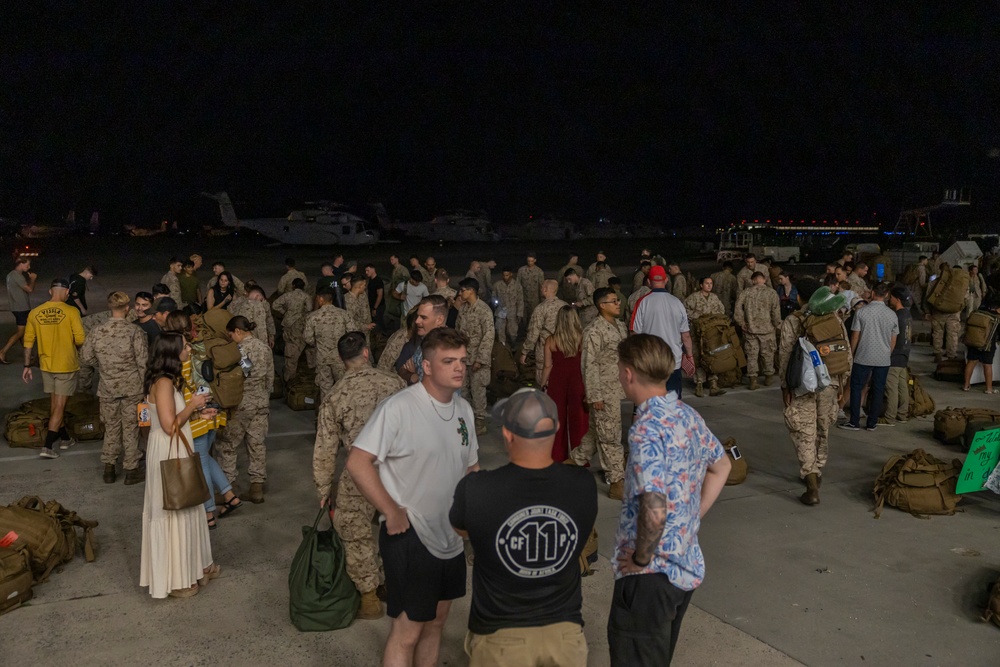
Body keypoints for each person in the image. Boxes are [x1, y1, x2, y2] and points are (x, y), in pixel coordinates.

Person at [347, 328, 480, 667]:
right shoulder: (399, 408)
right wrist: (390, 511)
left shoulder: (464, 409)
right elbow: (358, 461)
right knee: (407, 632)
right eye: (448, 361)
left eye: (462, 360)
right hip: (411, 536)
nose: (459, 368)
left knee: (435, 623)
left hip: (450, 537)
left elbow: (471, 469)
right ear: (427, 366)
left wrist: (472, 517)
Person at [451, 389, 597, 666]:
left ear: (507, 434)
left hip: (501, 637)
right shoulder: (583, 485)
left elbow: (462, 530)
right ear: (554, 429)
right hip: (566, 636)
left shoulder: (477, 489)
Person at [608, 334, 730, 666]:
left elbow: (655, 507)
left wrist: (642, 559)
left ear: (629, 373)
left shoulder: (646, 428)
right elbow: (722, 466)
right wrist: (691, 519)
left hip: (651, 578)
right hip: (685, 566)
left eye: (620, 369)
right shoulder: (688, 416)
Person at [314, 331, 406, 620]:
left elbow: (325, 448)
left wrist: (323, 489)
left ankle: (369, 595)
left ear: (342, 360)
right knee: (401, 527)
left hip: (359, 473)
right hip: (398, 469)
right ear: (366, 353)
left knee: (353, 530)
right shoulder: (395, 383)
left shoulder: (334, 395)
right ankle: (397, 586)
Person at [139, 332, 219, 598]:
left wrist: (197, 411)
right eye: (185, 346)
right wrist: (193, 404)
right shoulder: (162, 383)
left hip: (175, 446)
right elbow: (168, 425)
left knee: (189, 505)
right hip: (167, 449)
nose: (189, 349)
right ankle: (177, 580)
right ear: (173, 353)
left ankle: (199, 567)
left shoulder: (170, 380)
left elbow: (174, 417)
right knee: (175, 508)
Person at [162, 311, 241, 528]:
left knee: (199, 463)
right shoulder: (201, 346)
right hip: (212, 411)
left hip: (194, 415)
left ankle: (208, 512)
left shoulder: (180, 354)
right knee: (205, 458)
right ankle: (229, 495)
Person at [777, 281, 849, 505]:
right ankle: (817, 470)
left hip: (802, 385)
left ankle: (811, 484)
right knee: (822, 427)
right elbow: (845, 353)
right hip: (831, 383)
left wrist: (784, 386)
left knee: (804, 430)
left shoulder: (792, 321)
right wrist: (842, 384)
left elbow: (785, 356)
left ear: (799, 297)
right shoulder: (834, 318)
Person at [79, 291, 148, 485]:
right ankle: (131, 469)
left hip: (108, 387)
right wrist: (146, 387)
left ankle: (109, 468)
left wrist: (103, 366)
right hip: (132, 387)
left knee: (111, 427)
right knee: (130, 427)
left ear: (110, 307)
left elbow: (85, 357)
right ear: (127, 308)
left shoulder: (97, 331)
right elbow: (143, 362)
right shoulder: (134, 331)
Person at [569, 288, 629, 499]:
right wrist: (594, 396)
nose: (618, 303)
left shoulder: (619, 326)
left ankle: (573, 462)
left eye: (617, 300)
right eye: (613, 301)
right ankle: (616, 482)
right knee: (611, 438)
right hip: (603, 391)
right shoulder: (594, 330)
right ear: (601, 305)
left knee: (598, 432)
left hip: (616, 388)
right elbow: (589, 365)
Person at [22, 278, 86, 459]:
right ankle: (48, 445)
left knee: (54, 403)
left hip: (46, 365)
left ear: (50, 292)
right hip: (66, 365)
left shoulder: (35, 313)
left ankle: (65, 438)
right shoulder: (72, 311)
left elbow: (28, 342)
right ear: (66, 292)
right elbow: (80, 339)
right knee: (60, 404)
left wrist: (27, 365)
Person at [216, 316, 274, 504]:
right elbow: (270, 379)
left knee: (228, 445)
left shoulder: (238, 350)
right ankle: (256, 487)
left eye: (231, 334)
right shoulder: (265, 348)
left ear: (238, 331)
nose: (231, 338)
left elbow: (235, 378)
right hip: (261, 403)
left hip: (241, 404)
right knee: (257, 445)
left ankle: (228, 488)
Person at [840, 282, 898, 432]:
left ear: (872, 293)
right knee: (878, 389)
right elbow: (894, 339)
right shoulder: (892, 315)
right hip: (883, 359)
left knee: (856, 387)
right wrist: (887, 353)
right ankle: (872, 423)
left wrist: (851, 353)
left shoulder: (861, 313)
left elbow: (855, 336)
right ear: (886, 296)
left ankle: (854, 422)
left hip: (863, 356)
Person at [630, 266, 694, 398]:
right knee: (673, 404)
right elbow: (686, 336)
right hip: (673, 361)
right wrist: (690, 356)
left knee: (649, 403)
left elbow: (634, 334)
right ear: (666, 280)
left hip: (650, 362)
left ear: (648, 282)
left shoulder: (642, 302)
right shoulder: (677, 303)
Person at [540, 306, 588, 462]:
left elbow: (547, 365)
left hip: (557, 380)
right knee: (579, 419)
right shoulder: (583, 338)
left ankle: (557, 456)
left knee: (557, 419)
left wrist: (542, 384)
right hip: (578, 380)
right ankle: (580, 458)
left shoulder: (551, 340)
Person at [456, 277, 495, 436]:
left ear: (471, 291)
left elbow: (489, 335)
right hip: (464, 358)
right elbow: (458, 331)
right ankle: (467, 421)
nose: (460, 293)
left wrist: (480, 359)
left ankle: (480, 422)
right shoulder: (463, 309)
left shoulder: (484, 310)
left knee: (478, 392)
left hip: (478, 359)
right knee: (463, 391)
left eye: (462, 290)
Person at [733, 271, 781, 390]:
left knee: (751, 355)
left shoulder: (746, 292)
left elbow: (738, 308)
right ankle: (768, 376)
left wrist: (741, 323)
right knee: (768, 354)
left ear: (753, 281)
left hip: (750, 330)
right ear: (764, 280)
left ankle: (753, 379)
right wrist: (776, 324)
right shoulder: (772, 293)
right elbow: (775, 312)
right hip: (767, 330)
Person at [304, 288, 353, 400]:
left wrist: (318, 344)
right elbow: (352, 334)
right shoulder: (343, 314)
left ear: (321, 299)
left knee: (325, 387)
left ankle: (327, 415)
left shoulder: (313, 317)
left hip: (322, 357)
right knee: (342, 386)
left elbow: (308, 338)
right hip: (340, 357)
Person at [684, 276, 727, 397]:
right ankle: (699, 384)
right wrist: (698, 317)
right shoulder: (693, 298)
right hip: (697, 333)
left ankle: (713, 384)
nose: (709, 285)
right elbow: (685, 310)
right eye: (707, 283)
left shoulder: (714, 298)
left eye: (711, 283)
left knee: (713, 356)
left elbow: (721, 310)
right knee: (699, 357)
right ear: (701, 285)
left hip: (712, 334)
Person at [522, 280, 569, 384]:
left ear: (545, 290)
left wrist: (525, 351)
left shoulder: (540, 309)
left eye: (542, 287)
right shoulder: (566, 306)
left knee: (544, 379)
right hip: (565, 349)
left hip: (544, 351)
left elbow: (533, 333)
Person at [272, 278, 312, 382]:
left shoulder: (288, 295)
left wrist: (285, 312)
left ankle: (288, 374)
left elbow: (275, 305)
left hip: (288, 323)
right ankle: (294, 370)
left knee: (289, 345)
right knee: (298, 345)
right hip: (300, 324)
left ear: (293, 286)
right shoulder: (306, 296)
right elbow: (309, 309)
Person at [883, 286, 913, 423]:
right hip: (904, 354)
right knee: (902, 387)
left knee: (891, 388)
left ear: (897, 299)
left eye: (891, 297)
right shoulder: (907, 315)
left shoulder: (896, 316)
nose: (889, 299)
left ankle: (889, 417)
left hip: (894, 356)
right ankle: (902, 414)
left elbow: (892, 338)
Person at [0, 256, 37, 364]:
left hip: (16, 307)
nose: (29, 267)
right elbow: (29, 289)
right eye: (27, 265)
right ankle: (3, 351)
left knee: (23, 332)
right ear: (21, 264)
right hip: (21, 308)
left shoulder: (11, 275)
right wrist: (33, 279)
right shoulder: (17, 276)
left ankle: (28, 355)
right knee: (21, 332)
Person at [963, 299, 1000, 393]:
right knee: (987, 365)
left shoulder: (977, 313)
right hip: (987, 345)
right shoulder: (996, 318)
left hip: (973, 341)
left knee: (971, 362)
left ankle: (966, 385)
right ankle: (989, 389)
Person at [492, 268, 523, 347]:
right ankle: (502, 347)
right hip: (501, 310)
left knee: (512, 331)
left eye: (507, 275)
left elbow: (520, 300)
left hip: (512, 311)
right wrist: (495, 304)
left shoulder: (517, 285)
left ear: (511, 274)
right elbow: (493, 296)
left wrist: (519, 313)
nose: (505, 277)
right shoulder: (497, 285)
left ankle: (513, 346)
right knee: (500, 330)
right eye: (504, 275)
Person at [345, 274, 376, 344]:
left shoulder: (362, 295)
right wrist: (366, 326)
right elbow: (350, 323)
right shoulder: (348, 301)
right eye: (364, 285)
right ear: (359, 286)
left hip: (366, 332)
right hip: (357, 336)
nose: (365, 287)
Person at [517, 252, 545, 321]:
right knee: (522, 318)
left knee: (533, 318)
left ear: (535, 260)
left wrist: (542, 300)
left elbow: (541, 286)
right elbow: (517, 285)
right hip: (523, 299)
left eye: (531, 261)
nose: (530, 263)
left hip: (534, 300)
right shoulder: (521, 270)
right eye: (528, 261)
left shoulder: (539, 272)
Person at [365, 263, 386, 329]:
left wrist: (375, 308)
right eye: (365, 271)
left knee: (378, 323)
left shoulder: (378, 281)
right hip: (373, 306)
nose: (366, 272)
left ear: (373, 269)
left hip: (378, 306)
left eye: (368, 270)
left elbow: (380, 295)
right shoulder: (371, 280)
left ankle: (382, 335)